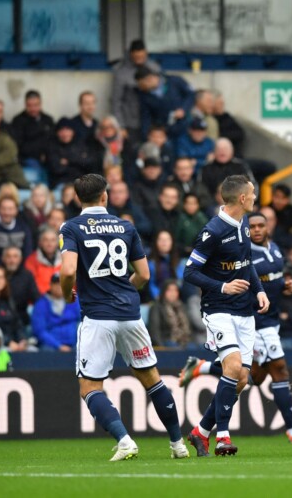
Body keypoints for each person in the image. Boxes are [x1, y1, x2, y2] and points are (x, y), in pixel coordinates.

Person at [59, 173, 188, 461]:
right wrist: (123, 290)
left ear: (78, 198)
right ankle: (177, 444)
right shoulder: (125, 226)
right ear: (105, 195)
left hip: (98, 317)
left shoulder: (72, 227)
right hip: (131, 315)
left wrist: (68, 293)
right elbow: (144, 275)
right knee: (152, 379)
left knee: (90, 387)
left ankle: (125, 440)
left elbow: (67, 271)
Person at [179, 212, 292, 443]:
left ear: (268, 227)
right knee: (279, 369)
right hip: (255, 321)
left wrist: (283, 285)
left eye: (260, 226)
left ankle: (203, 370)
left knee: (250, 377)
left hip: (271, 320)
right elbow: (241, 281)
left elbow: (270, 280)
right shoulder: (244, 251)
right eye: (253, 226)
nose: (256, 230)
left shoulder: (275, 249)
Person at [182, 175, 269, 457]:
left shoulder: (243, 222)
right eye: (252, 193)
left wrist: (259, 290)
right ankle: (223, 437)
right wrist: (223, 286)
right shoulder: (213, 231)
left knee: (241, 378)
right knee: (232, 368)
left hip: (244, 310)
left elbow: (246, 263)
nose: (255, 197)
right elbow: (189, 272)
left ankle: (200, 432)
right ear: (242, 198)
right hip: (218, 308)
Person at [111, 39, 162, 142]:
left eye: (142, 57)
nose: (139, 60)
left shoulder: (155, 68)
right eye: (136, 57)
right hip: (131, 123)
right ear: (131, 54)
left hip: (151, 121)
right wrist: (121, 126)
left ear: (146, 53)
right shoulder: (121, 72)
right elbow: (116, 101)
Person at [31, 273, 81, 351]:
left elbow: (82, 321)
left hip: (74, 344)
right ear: (50, 285)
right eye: (56, 284)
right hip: (51, 347)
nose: (59, 286)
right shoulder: (41, 304)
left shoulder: (74, 300)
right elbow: (40, 331)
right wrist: (58, 346)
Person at [0, 196, 33, 263]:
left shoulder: (24, 226)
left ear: (16, 211)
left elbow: (28, 251)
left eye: (10, 209)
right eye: (3, 209)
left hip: (19, 266)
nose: (7, 212)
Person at [10, 90, 55, 171]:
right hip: (28, 159)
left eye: (36, 105)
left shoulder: (48, 119)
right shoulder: (18, 121)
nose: (33, 108)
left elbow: (53, 140)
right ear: (25, 105)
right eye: (29, 105)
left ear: (40, 104)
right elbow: (18, 146)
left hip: (49, 158)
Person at [148, 279, 193, 348]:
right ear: (164, 292)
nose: (173, 293)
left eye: (175, 290)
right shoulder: (156, 307)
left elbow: (189, 328)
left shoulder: (182, 307)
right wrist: (161, 347)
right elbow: (154, 331)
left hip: (184, 342)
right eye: (170, 290)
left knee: (197, 347)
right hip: (167, 341)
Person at [24, 227, 62, 294]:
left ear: (57, 243)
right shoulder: (31, 261)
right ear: (40, 242)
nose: (49, 244)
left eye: (53, 240)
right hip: (41, 297)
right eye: (45, 240)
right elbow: (32, 286)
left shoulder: (66, 259)